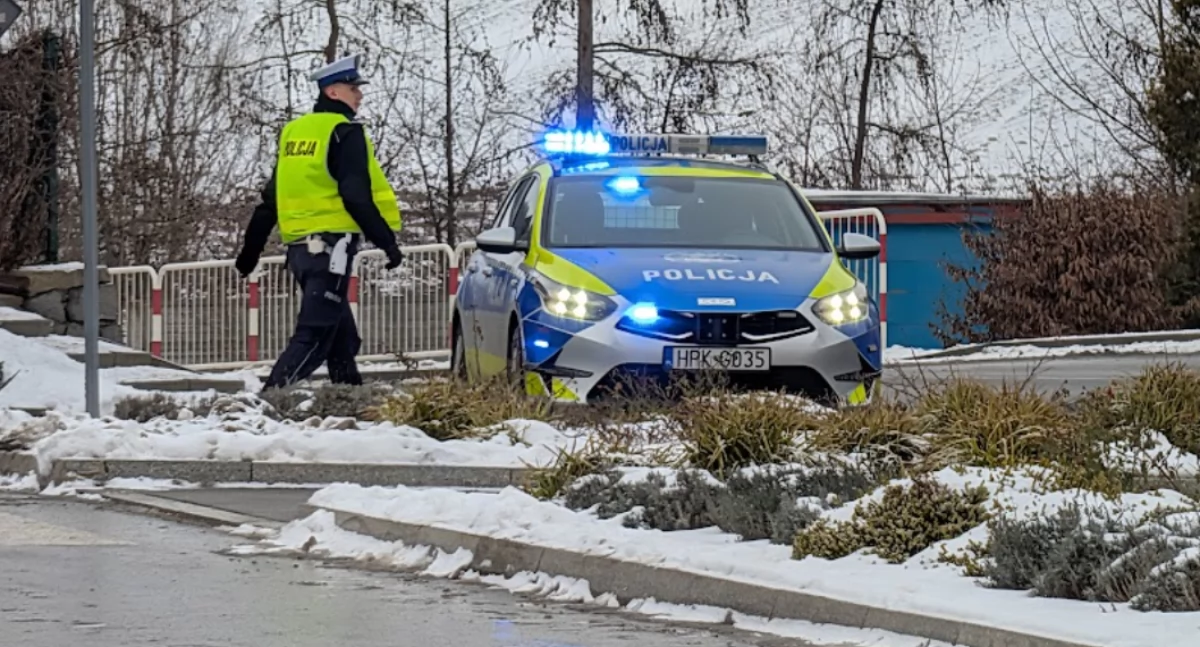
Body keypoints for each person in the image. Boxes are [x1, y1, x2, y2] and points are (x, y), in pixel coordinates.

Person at [235, 53, 404, 390]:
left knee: (343, 339)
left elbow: (271, 199)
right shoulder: (345, 131)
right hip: (333, 248)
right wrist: (386, 242)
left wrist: (249, 253)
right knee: (314, 334)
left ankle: (352, 403)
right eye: (353, 87)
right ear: (332, 92)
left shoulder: (294, 134)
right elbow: (355, 194)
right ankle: (268, 402)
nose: (360, 94)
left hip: (300, 251)